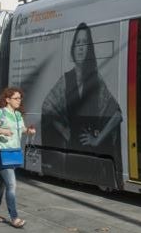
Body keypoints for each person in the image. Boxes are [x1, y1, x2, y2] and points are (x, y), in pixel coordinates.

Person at [41, 22, 122, 154]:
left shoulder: (96, 79)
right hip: (72, 149)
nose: (80, 48)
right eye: (78, 42)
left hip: (95, 154)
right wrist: (64, 131)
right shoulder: (65, 80)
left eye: (84, 43)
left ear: (89, 49)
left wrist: (97, 140)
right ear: (73, 47)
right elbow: (47, 107)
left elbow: (117, 114)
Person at [0, 87, 35, 228]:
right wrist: (2, 131)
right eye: (16, 98)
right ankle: (14, 218)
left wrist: (28, 131)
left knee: (2, 183)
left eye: (20, 98)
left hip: (12, 153)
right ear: (7, 99)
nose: (19, 101)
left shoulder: (18, 115)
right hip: (0, 153)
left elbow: (20, 130)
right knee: (11, 184)